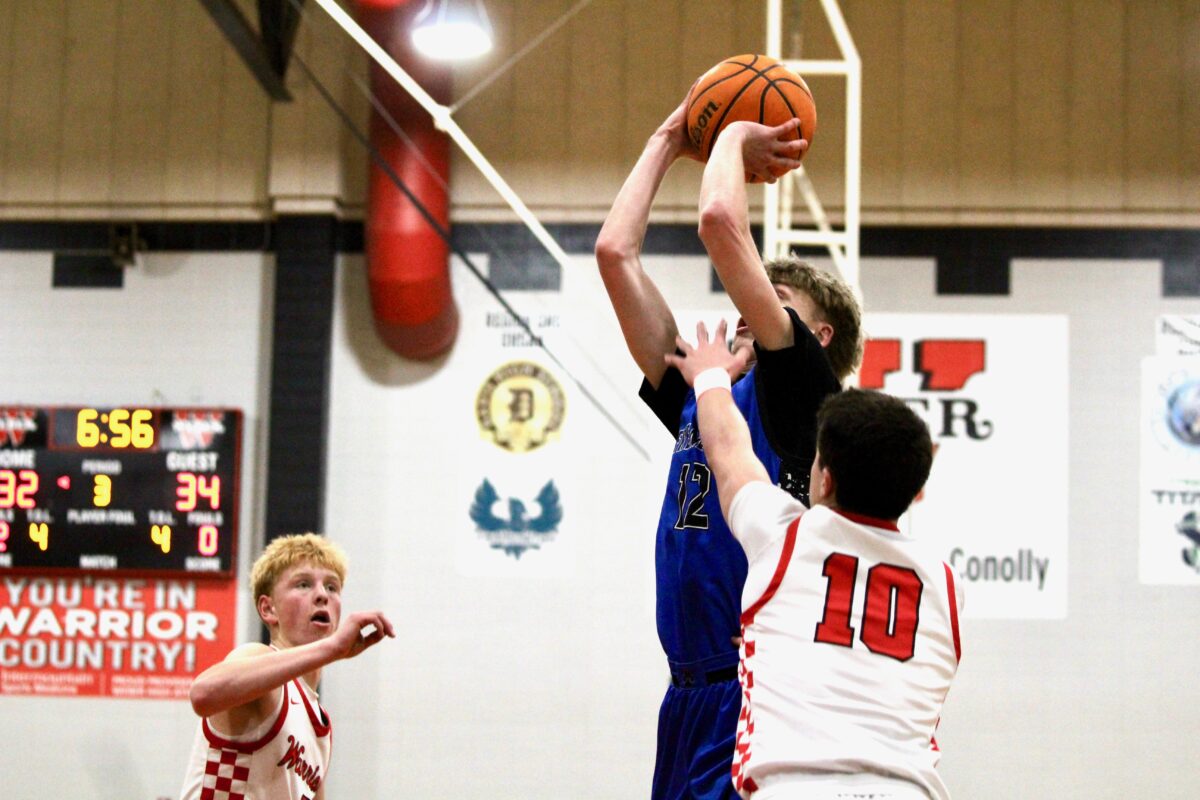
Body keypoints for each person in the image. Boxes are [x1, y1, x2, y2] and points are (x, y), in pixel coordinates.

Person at [594, 98, 863, 800]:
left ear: (819, 337)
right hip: (685, 695)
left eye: (774, 296)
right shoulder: (705, 394)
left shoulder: (804, 393)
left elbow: (719, 220)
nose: (748, 303)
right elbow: (614, 255)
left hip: (753, 688)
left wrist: (737, 132)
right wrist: (665, 138)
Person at [666, 322, 962, 800]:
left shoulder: (784, 537)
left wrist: (711, 377)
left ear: (824, 479)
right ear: (915, 492)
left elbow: (728, 452)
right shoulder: (946, 586)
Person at [180, 533, 394, 800]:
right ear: (268, 609)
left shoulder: (320, 727)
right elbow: (202, 694)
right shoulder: (256, 656)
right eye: (303, 584)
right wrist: (331, 649)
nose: (322, 595)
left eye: (332, 587)